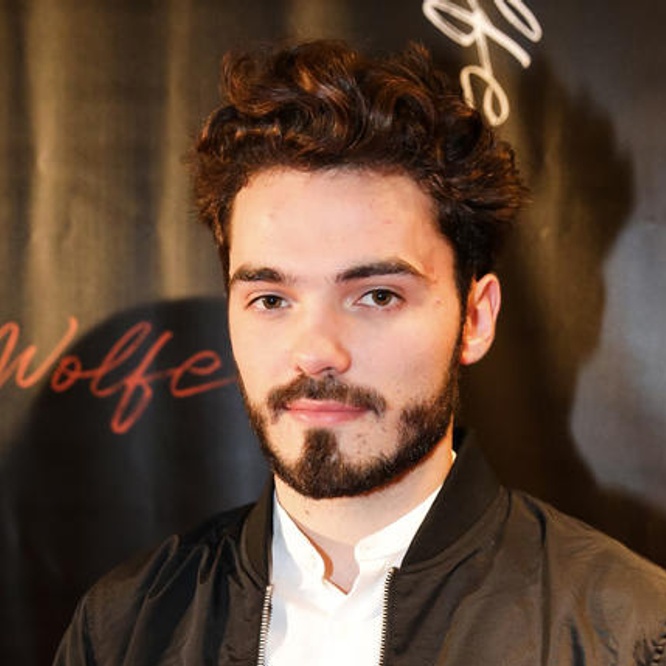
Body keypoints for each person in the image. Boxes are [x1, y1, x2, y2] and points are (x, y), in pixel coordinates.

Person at [54, 40, 666, 665]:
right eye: (271, 299)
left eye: (376, 296)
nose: (316, 353)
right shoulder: (124, 628)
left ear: (475, 318)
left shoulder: (630, 635)